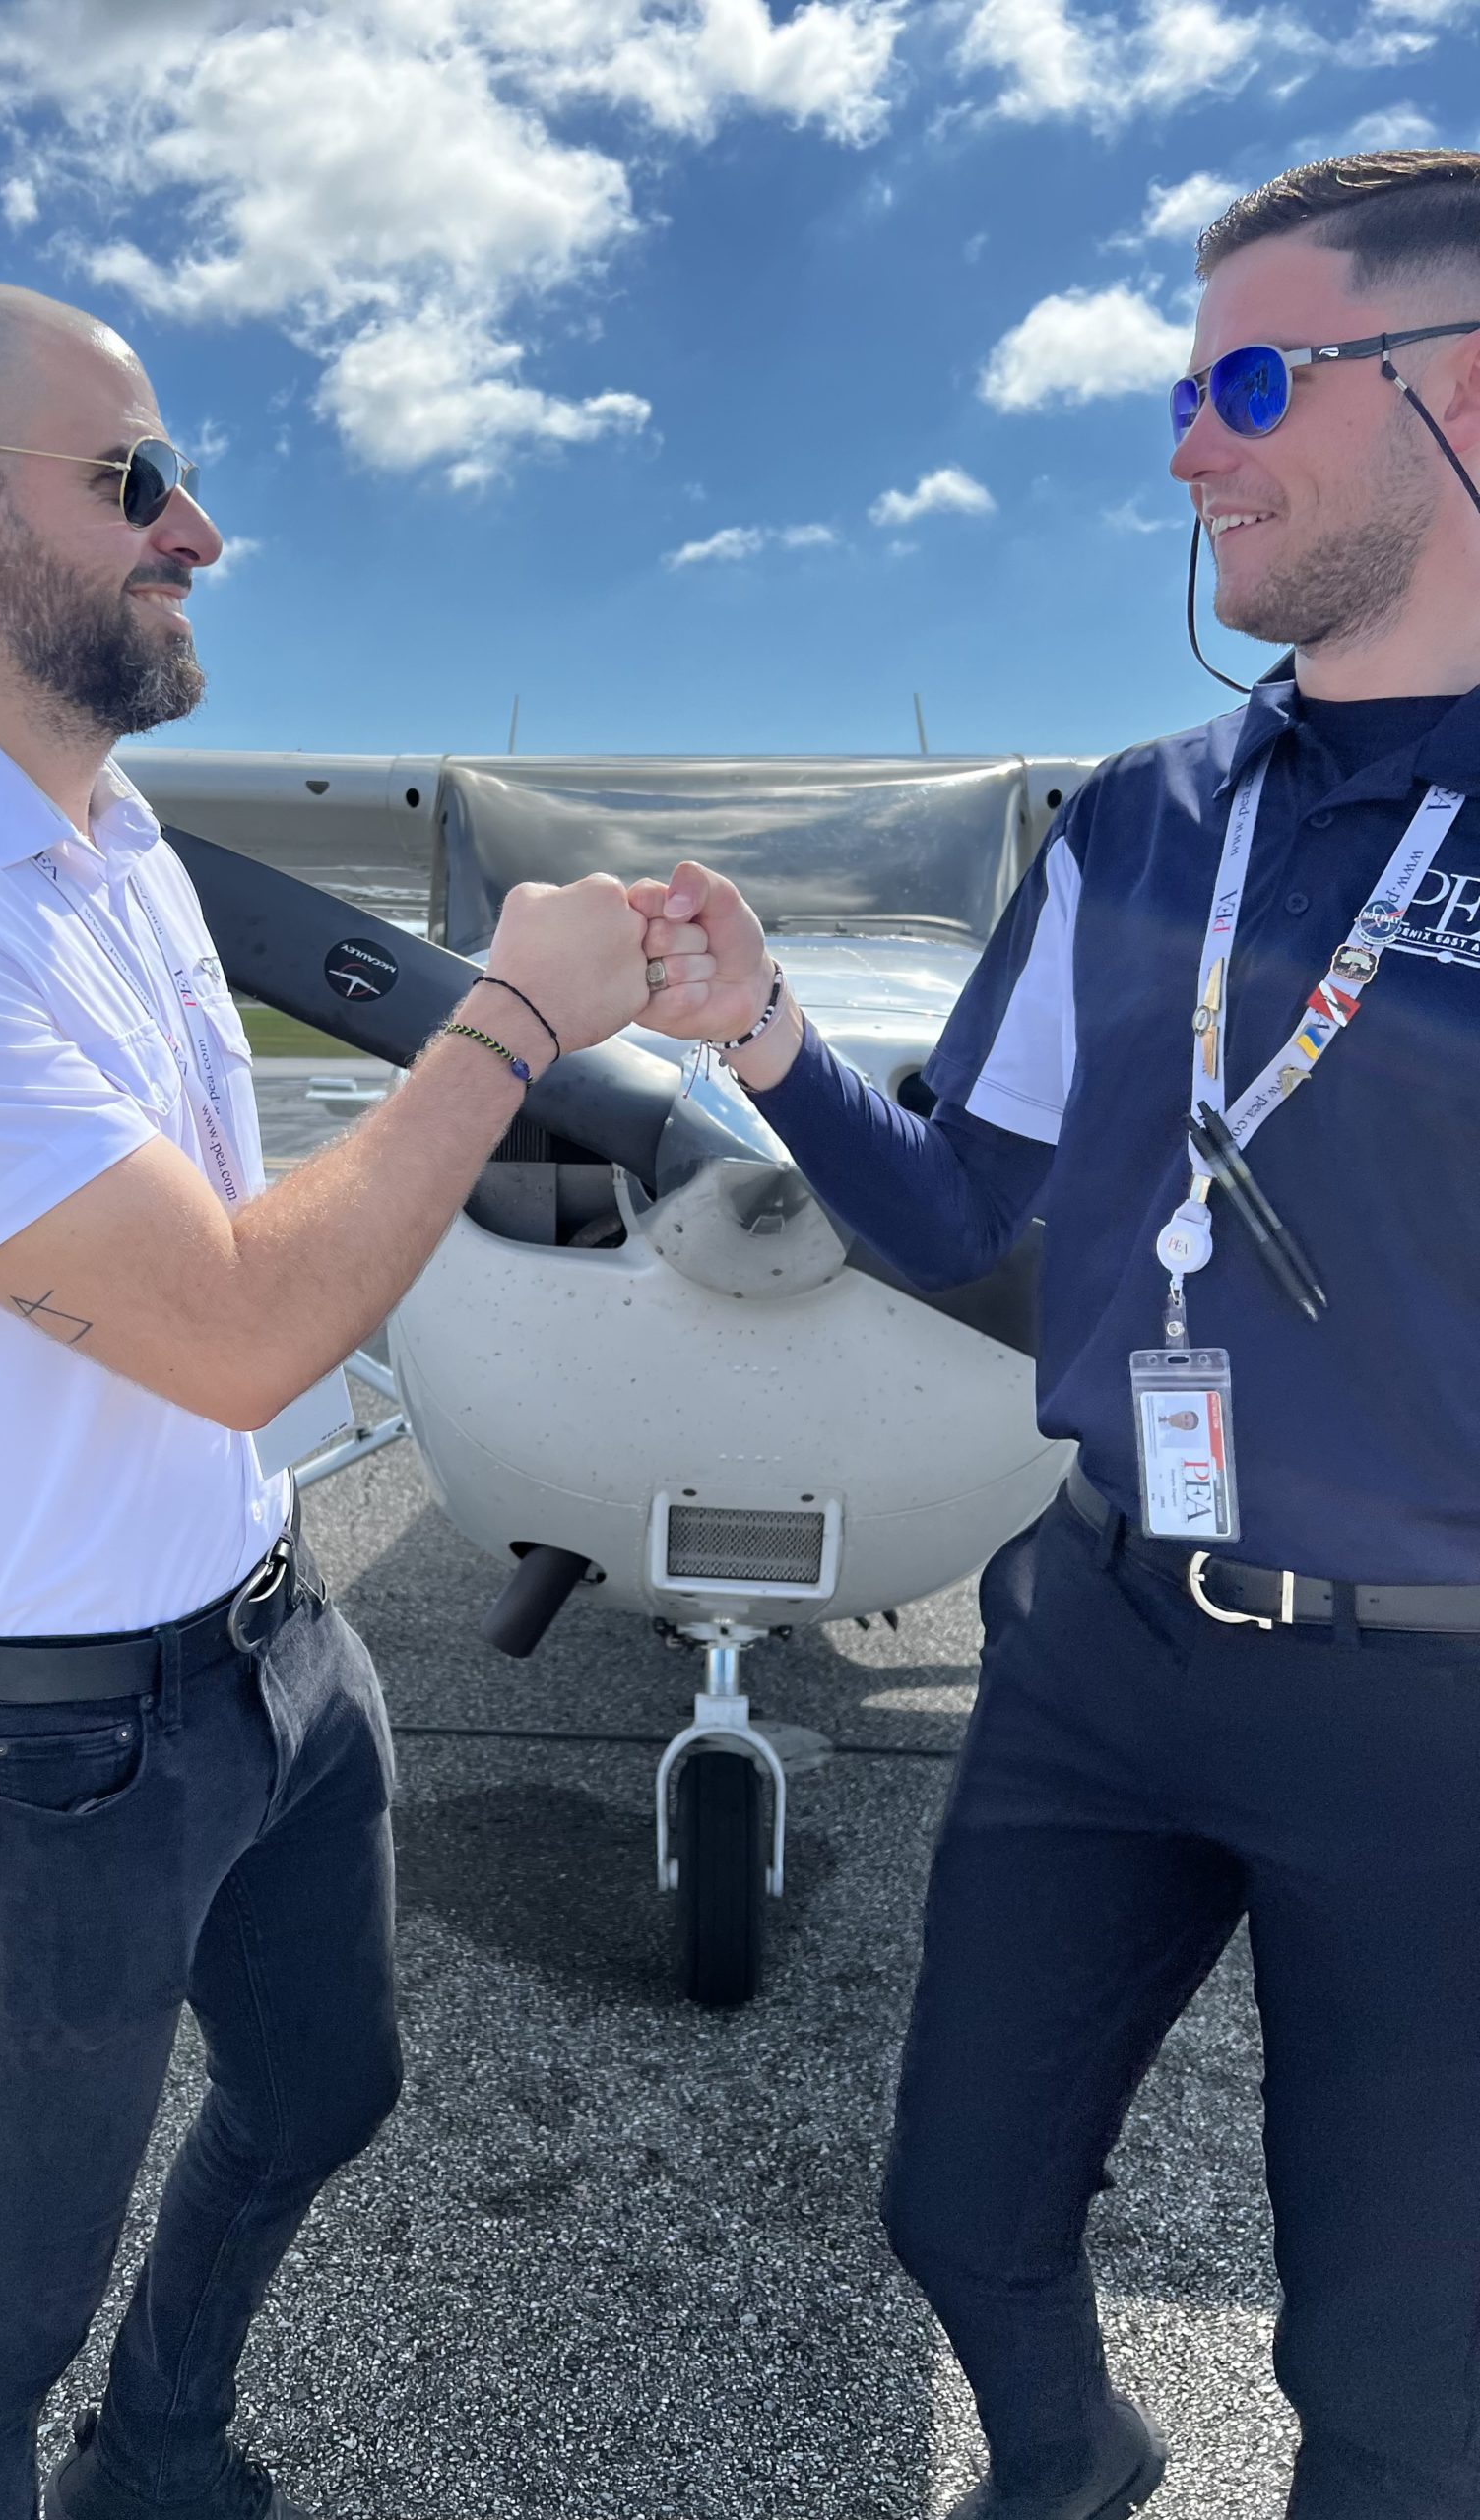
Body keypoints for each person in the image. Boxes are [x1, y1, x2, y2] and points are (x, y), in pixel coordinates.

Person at [0, 282, 681, 2520]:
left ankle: (157, 2449)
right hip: (35, 1742)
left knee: (327, 2089)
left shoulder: (122, 843)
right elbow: (247, 1320)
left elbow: (261, 1249)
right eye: (137, 479)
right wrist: (516, 1017)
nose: (203, 528)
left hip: (272, 1636)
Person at [634, 150, 1480, 2520]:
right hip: (1102, 1631)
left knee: (1407, 2387)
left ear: (1458, 392)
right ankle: (1068, 2457)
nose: (1184, 445)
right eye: (1181, 386)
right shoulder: (1133, 825)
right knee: (952, 2205)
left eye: (1244, 379)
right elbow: (953, 1204)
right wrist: (775, 1037)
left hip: (1441, 1701)